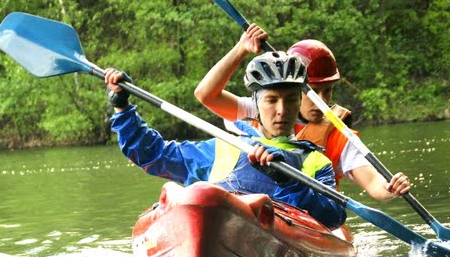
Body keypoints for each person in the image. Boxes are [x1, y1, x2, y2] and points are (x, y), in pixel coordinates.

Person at [105, 51, 347, 230]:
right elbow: (153, 154)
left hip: (276, 232)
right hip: (215, 222)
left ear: (300, 102)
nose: (282, 110)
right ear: (256, 104)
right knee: (197, 193)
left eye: (291, 100)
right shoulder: (225, 145)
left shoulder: (315, 161)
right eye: (272, 100)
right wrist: (122, 109)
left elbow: (333, 217)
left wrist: (289, 181)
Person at [193, 24, 411, 201]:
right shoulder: (261, 110)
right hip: (252, 200)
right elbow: (206, 95)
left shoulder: (338, 135)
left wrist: (390, 188)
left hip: (308, 214)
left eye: (328, 91)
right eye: (314, 91)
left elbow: (373, 183)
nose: (321, 101)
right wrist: (241, 48)